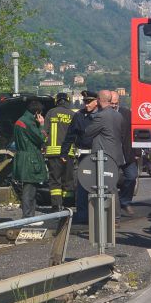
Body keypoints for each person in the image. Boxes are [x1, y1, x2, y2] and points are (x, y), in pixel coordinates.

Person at [83, 90, 126, 219]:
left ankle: (113, 217)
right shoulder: (118, 115)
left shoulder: (101, 116)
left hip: (105, 157)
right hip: (116, 155)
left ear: (99, 100)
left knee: (108, 187)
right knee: (111, 186)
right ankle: (112, 216)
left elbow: (88, 131)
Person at [61, 90, 99, 223]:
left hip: (101, 155)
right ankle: (83, 215)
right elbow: (70, 135)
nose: (86, 105)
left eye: (89, 102)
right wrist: (64, 152)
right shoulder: (79, 116)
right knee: (82, 186)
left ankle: (98, 214)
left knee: (99, 186)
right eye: (85, 102)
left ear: (96, 101)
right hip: (84, 155)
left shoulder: (102, 115)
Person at [11, 99, 48, 220]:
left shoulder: (20, 121)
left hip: (22, 157)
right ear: (37, 112)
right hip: (31, 159)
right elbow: (41, 138)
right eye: (40, 113)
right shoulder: (29, 123)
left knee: (29, 188)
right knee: (30, 190)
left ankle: (30, 217)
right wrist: (41, 125)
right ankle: (28, 217)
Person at [43, 92, 75, 211]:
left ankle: (56, 207)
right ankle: (68, 206)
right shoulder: (72, 115)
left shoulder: (51, 113)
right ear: (68, 101)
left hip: (53, 153)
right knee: (68, 180)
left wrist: (43, 146)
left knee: (55, 181)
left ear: (56, 101)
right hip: (68, 153)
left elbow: (44, 133)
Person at [107, 91, 137, 215]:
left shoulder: (127, 113)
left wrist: (137, 151)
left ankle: (125, 201)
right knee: (111, 181)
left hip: (126, 153)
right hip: (111, 154)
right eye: (111, 103)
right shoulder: (103, 114)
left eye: (116, 103)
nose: (114, 106)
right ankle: (113, 208)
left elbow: (134, 131)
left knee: (132, 176)